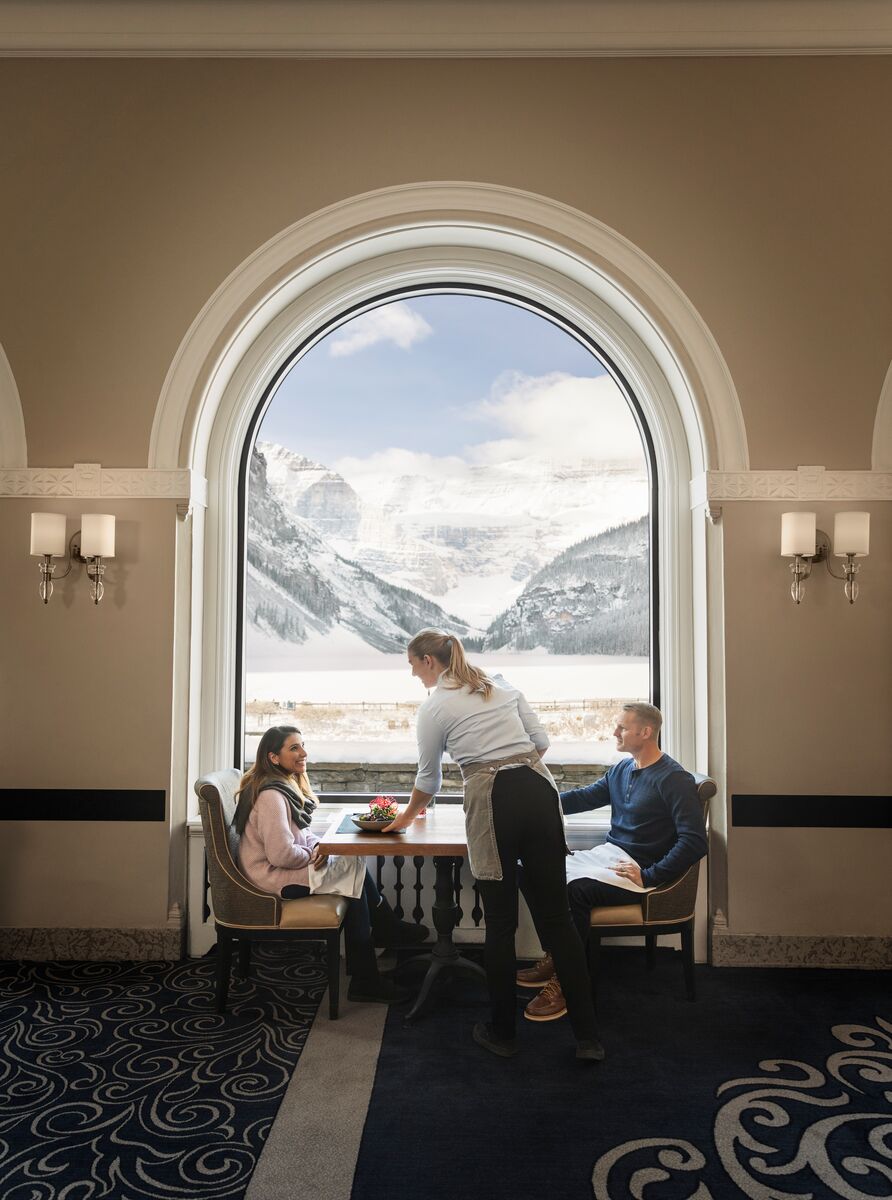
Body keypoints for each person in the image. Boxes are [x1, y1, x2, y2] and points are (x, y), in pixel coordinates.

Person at [384, 629, 604, 1063]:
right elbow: (540, 743)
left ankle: (503, 1033)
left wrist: (403, 820)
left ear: (429, 661)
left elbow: (428, 781)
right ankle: (589, 1039)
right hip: (539, 793)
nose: (413, 674)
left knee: (500, 923)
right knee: (558, 920)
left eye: (412, 665)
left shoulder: (434, 707)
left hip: (491, 797)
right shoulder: (501, 684)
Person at [517, 702, 708, 1021]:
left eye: (621, 727)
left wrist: (648, 876)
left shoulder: (674, 779)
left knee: (575, 892)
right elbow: (586, 796)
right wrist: (537, 805)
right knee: (529, 870)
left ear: (645, 732)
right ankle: (558, 955)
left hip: (637, 873)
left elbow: (694, 840)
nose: (614, 732)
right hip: (609, 858)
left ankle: (567, 981)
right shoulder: (622, 769)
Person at [235, 725, 426, 1004]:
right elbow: (279, 854)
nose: (304, 753)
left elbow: (301, 833)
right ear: (273, 757)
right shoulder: (271, 797)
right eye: (294, 748)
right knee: (352, 873)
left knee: (352, 866)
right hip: (272, 877)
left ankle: (383, 935)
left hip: (283, 868)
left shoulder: (281, 788)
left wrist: (317, 846)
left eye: (302, 745)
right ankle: (368, 972)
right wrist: (314, 855)